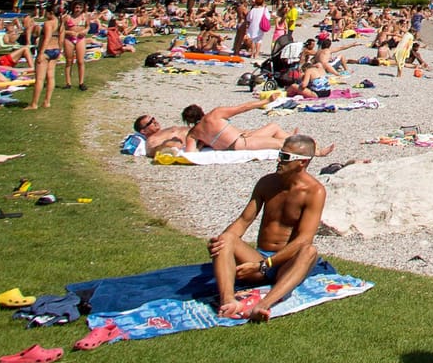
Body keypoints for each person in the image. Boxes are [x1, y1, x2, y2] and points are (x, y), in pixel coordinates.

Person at [208, 134, 326, 321]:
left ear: (302, 163)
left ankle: (262, 305)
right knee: (226, 238)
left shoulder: (314, 191)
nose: (279, 160)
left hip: (283, 264)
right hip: (259, 257)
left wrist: (266, 265)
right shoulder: (267, 183)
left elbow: (304, 238)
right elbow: (244, 221)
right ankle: (228, 301)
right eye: (279, 154)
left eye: (286, 157)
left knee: (309, 251)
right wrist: (222, 244)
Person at [184, 101, 323, 154]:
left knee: (273, 126)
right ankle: (315, 151)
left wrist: (202, 144)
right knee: (282, 144)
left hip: (242, 138)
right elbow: (243, 107)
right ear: (201, 111)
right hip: (239, 143)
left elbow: (191, 152)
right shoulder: (214, 114)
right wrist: (267, 101)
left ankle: (293, 136)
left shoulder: (193, 133)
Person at [133, 112, 198, 155]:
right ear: (143, 131)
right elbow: (152, 151)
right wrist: (169, 144)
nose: (155, 121)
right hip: (196, 139)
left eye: (153, 119)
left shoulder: (163, 131)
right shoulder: (151, 140)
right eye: (150, 122)